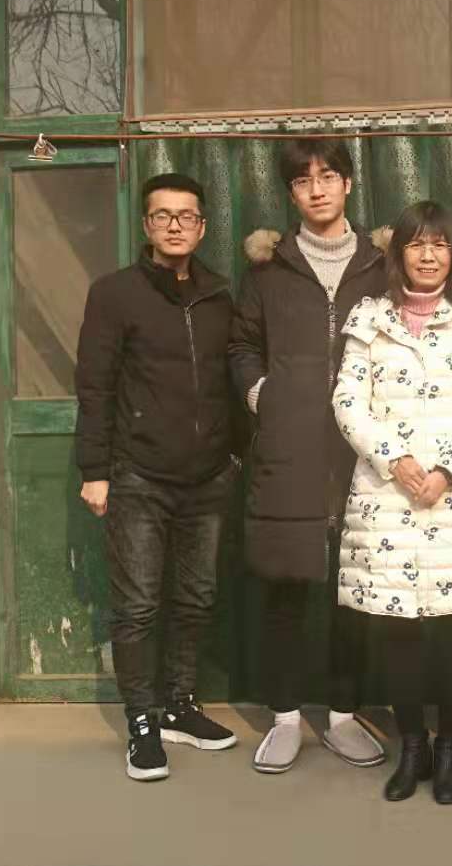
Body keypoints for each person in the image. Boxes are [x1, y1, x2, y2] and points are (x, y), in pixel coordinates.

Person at [331, 202, 452, 805]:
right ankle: (413, 745)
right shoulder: (368, 316)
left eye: (440, 244)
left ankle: (450, 746)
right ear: (398, 252)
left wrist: (446, 470)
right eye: (416, 244)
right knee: (395, 631)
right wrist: (396, 460)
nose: (428, 256)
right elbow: (347, 401)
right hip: (387, 500)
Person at [229, 137, 390, 774]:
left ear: (348, 183)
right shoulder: (269, 270)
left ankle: (344, 715)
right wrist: (266, 397)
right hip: (287, 450)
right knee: (285, 589)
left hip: (362, 454)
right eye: (302, 181)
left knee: (355, 589)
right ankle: (285, 719)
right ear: (291, 194)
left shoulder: (382, 264)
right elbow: (241, 345)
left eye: (328, 176)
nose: (317, 189)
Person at [75, 173, 241, 782]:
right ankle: (142, 722)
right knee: (139, 606)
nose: (175, 225)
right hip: (139, 475)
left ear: (202, 226)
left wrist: (235, 456)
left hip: (208, 478)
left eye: (186, 215)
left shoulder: (220, 294)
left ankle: (178, 705)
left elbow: (232, 380)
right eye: (163, 215)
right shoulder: (114, 294)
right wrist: (95, 471)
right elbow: (94, 386)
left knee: (196, 598)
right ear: (146, 226)